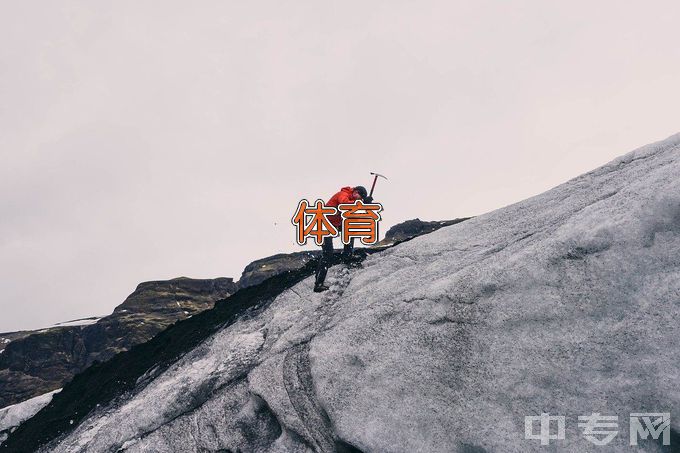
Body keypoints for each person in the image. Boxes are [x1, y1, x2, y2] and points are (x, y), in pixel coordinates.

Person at [314, 186, 372, 292]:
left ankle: (347, 256)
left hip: (335, 223)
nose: (358, 199)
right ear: (355, 192)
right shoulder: (343, 194)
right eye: (359, 197)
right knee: (328, 254)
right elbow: (344, 205)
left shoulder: (353, 199)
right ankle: (318, 284)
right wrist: (362, 203)